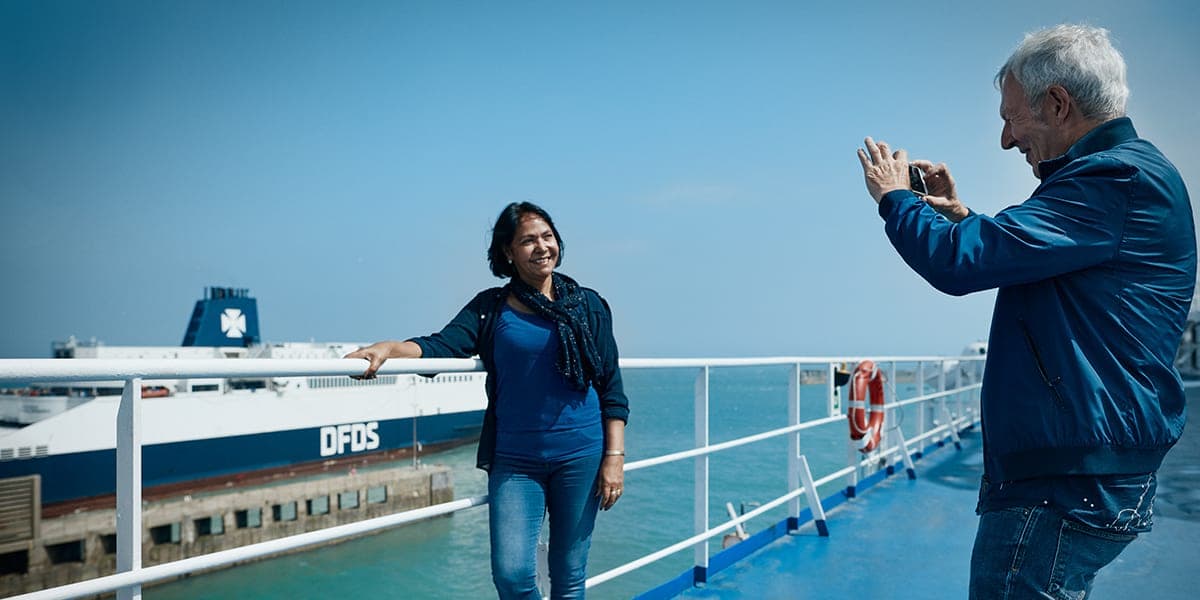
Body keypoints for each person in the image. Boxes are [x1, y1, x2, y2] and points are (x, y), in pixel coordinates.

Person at [855, 25, 1195, 599]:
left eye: (1012, 118)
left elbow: (957, 265)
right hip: (1077, 472)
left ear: (1058, 103)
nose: (1006, 140)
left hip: (1063, 484)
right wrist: (961, 216)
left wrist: (896, 198)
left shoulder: (1114, 179)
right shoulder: (1120, 178)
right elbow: (1032, 260)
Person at [346, 202, 629, 599]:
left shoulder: (588, 306)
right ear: (508, 252)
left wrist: (614, 458)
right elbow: (441, 346)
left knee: (569, 574)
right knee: (512, 576)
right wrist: (391, 348)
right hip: (516, 460)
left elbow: (610, 385)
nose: (541, 247)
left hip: (579, 453)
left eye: (547, 237)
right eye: (528, 241)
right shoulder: (490, 308)